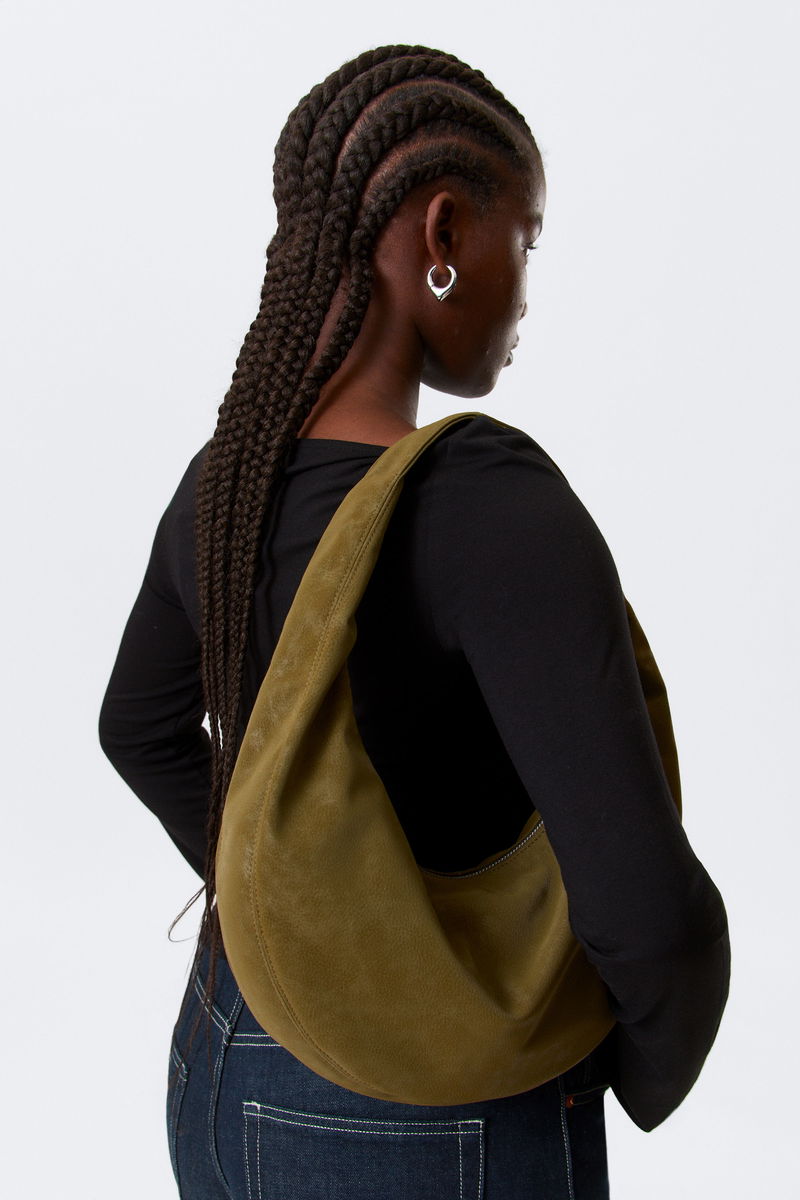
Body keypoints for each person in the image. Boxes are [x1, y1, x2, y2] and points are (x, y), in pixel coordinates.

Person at [98, 44, 730, 1199]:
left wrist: (292, 925)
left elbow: (135, 727)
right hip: (432, 1116)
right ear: (441, 232)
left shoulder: (221, 488)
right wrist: (616, 1072)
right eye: (523, 240)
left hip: (223, 1058)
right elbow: (646, 912)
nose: (524, 288)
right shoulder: (481, 503)